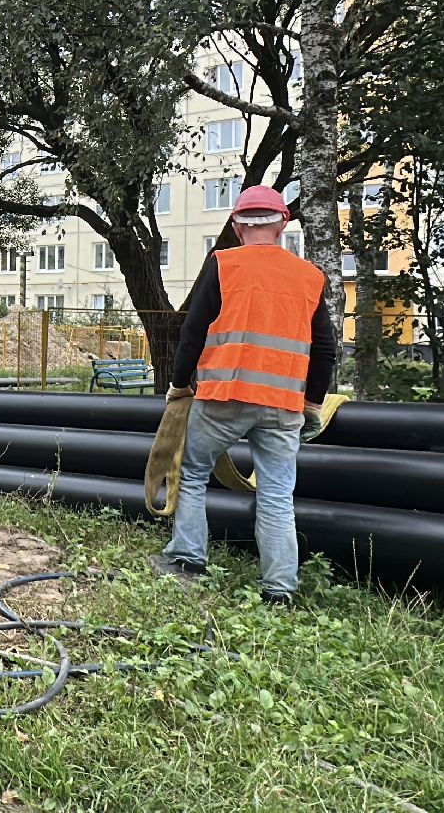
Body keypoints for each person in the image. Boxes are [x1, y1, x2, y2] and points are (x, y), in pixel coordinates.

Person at [153, 184, 337, 605]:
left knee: (195, 473)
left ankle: (187, 561)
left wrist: (180, 384)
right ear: (282, 225)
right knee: (275, 493)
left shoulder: (223, 265)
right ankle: (279, 589)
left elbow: (192, 330)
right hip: (283, 406)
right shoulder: (309, 277)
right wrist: (312, 402)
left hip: (223, 398)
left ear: (236, 226)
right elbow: (325, 348)